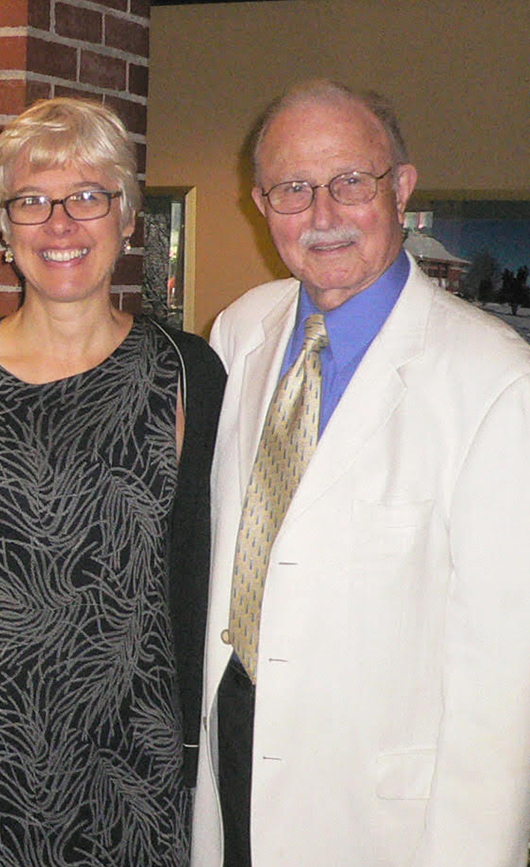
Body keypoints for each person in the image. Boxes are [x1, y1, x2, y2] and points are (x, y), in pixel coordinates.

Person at [0, 97, 226, 866]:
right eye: (31, 201)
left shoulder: (191, 374)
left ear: (126, 218)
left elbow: (201, 582)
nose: (60, 225)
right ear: (3, 227)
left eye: (87, 196)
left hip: (136, 777)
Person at [193, 79, 530, 867]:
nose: (322, 215)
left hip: (380, 811)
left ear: (402, 188)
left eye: (350, 181)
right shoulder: (241, 331)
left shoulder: (497, 380)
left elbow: (504, 681)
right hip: (235, 750)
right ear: (259, 202)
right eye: (293, 189)